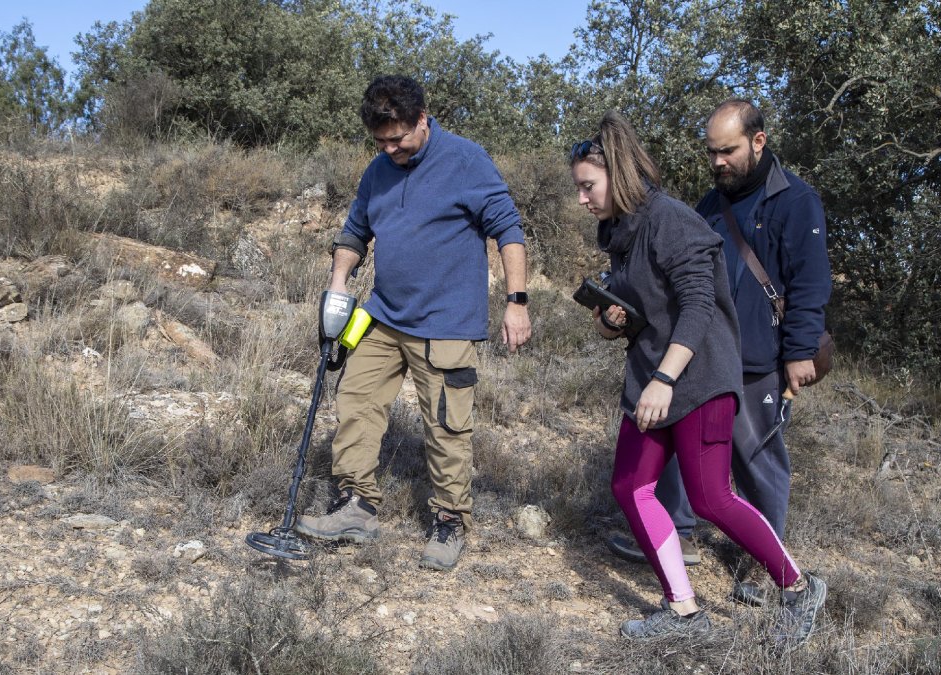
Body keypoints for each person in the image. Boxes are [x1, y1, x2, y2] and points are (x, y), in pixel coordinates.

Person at [572, 111, 826, 645]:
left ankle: (799, 588)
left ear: (614, 175)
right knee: (630, 485)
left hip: (699, 378)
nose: (582, 199)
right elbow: (648, 310)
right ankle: (684, 610)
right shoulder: (619, 231)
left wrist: (664, 379)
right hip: (655, 375)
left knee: (711, 498)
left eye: (587, 186)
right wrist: (613, 318)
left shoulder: (673, 219)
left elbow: (699, 306)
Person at [292, 75, 532, 571]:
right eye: (380, 141)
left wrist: (517, 301)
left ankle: (450, 522)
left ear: (422, 119)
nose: (390, 149)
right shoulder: (378, 169)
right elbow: (354, 232)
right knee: (355, 401)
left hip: (445, 322)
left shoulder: (466, 160)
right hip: (381, 316)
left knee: (446, 425)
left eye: (398, 138)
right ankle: (355, 505)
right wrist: (339, 283)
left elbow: (508, 228)